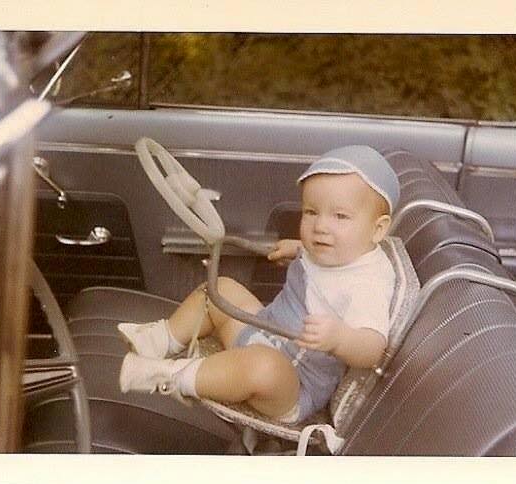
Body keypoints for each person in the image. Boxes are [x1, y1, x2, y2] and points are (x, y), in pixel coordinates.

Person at [119, 145, 400, 424]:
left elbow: (373, 348)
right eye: (311, 212)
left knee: (262, 367)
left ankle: (171, 376)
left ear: (377, 229)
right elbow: (326, 263)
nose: (321, 227)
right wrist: (298, 248)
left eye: (340, 216)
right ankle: (158, 341)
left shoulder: (369, 282)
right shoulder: (340, 247)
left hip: (291, 381)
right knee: (221, 289)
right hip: (263, 330)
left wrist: (340, 338)